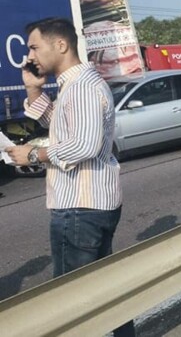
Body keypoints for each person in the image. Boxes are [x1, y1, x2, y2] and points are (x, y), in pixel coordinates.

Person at [4, 18, 135, 336]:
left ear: (60, 45)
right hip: (88, 203)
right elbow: (63, 127)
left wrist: (32, 155)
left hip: (80, 207)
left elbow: (84, 145)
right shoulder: (75, 86)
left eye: (34, 47)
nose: (30, 56)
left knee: (73, 298)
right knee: (102, 287)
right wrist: (33, 90)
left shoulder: (84, 87)